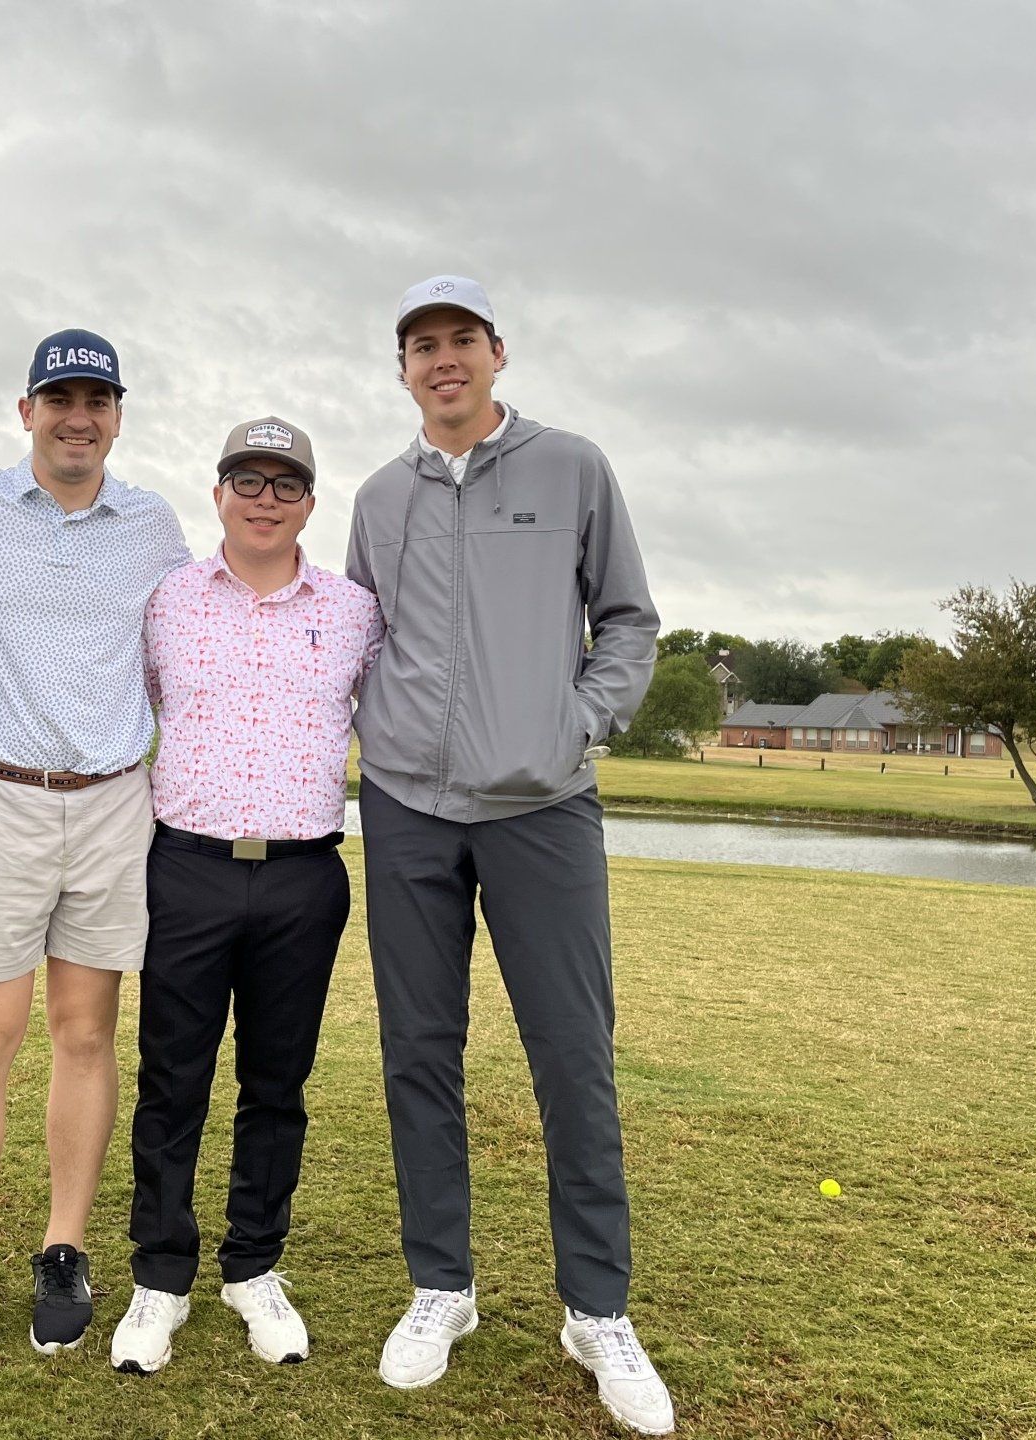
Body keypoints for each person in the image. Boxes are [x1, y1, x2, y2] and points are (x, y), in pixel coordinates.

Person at [344, 276, 674, 1434]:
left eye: (462, 341)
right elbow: (362, 632)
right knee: (419, 1053)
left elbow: (628, 618)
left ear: (497, 354)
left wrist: (575, 721)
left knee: (573, 1057)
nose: (444, 361)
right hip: (407, 808)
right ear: (403, 371)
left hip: (543, 806)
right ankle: (443, 1287)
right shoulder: (381, 497)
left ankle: (597, 1309)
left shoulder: (572, 468)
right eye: (421, 346)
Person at [0, 329, 191, 1363]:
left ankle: (63, 1246)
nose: (78, 417)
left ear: (117, 414)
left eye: (97, 400)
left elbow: (188, 644)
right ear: (26, 411)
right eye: (58, 398)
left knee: (84, 1035)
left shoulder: (154, 526)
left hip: (115, 805)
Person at [109, 417, 382, 1375]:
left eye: (285, 484)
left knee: (277, 1082)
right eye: (247, 480)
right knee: (172, 1076)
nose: (265, 499)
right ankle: (161, 1275)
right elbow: (136, 705)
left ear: (310, 500)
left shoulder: (354, 610)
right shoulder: (168, 601)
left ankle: (253, 1266)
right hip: (186, 865)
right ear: (217, 490)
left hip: (305, 874)